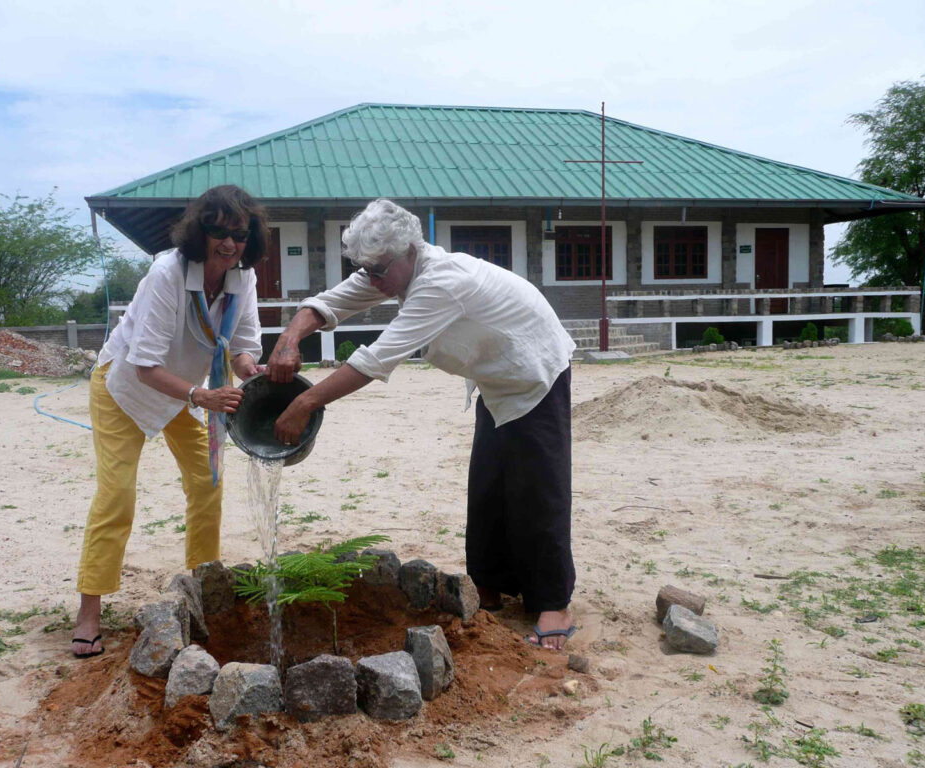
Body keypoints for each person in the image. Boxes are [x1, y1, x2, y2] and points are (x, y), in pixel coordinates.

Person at [267, 199, 578, 649]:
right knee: (489, 485)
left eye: (377, 271)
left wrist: (305, 403)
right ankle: (489, 586)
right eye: (365, 270)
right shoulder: (389, 266)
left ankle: (553, 602)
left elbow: (377, 358)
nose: (371, 280)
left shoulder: (441, 283)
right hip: (494, 380)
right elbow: (329, 303)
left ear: (410, 250)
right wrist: (288, 339)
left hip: (534, 372)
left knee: (538, 489)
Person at [71, 185, 268, 658]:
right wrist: (202, 394)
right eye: (217, 231)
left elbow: (242, 347)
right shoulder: (167, 273)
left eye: (238, 234)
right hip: (126, 388)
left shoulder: (244, 278)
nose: (228, 243)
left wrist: (253, 371)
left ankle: (203, 585)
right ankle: (89, 610)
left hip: (185, 392)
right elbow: (143, 365)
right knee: (116, 495)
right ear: (198, 231)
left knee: (207, 484)